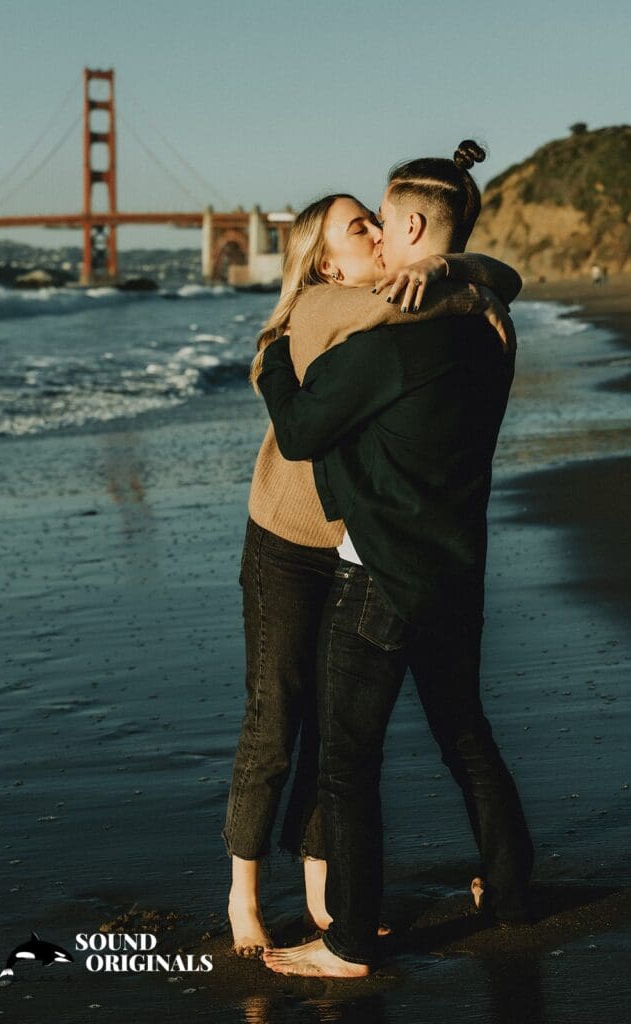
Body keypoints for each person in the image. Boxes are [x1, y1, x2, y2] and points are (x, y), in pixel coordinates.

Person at [258, 141, 534, 978]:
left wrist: (272, 360)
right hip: (458, 566)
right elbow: (497, 278)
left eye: (381, 218)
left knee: (348, 759)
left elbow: (302, 431)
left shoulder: (386, 345)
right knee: (465, 734)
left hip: (377, 574)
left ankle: (347, 944)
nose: (376, 233)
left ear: (412, 224)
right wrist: (465, 267)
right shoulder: (488, 324)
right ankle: (515, 889)